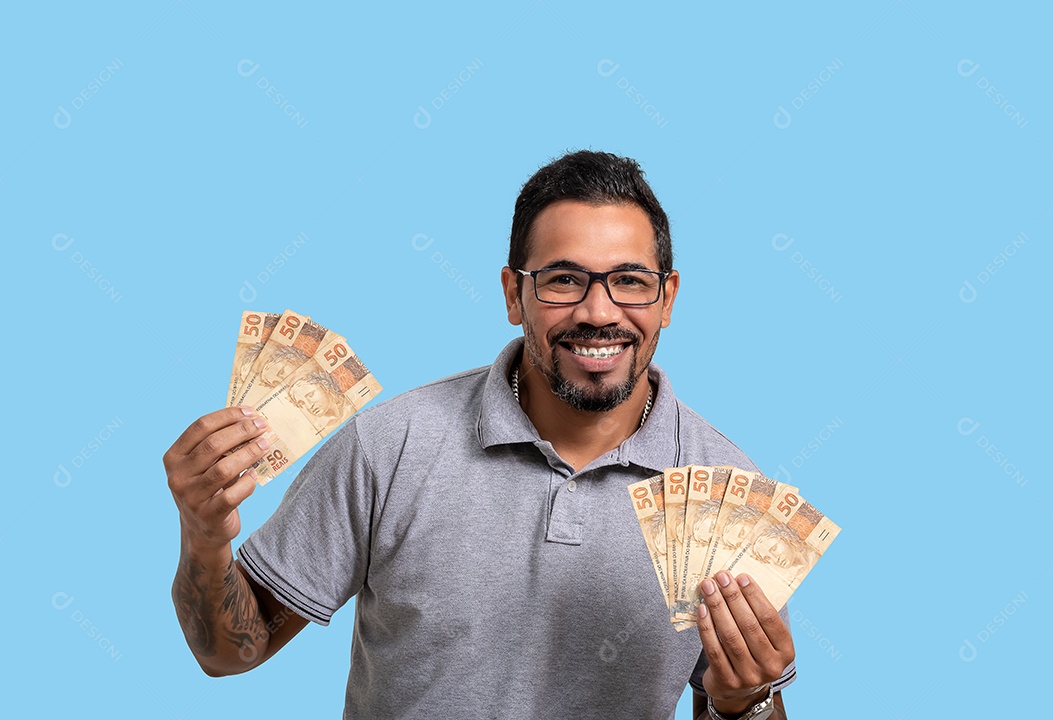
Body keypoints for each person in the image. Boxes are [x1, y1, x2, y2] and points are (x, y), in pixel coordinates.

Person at [164, 150, 797, 719]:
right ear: (513, 295)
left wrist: (746, 703)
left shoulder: (730, 497)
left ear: (667, 299)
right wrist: (204, 538)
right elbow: (230, 653)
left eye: (630, 280)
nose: (599, 312)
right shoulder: (391, 446)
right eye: (563, 279)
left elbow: (753, 708)